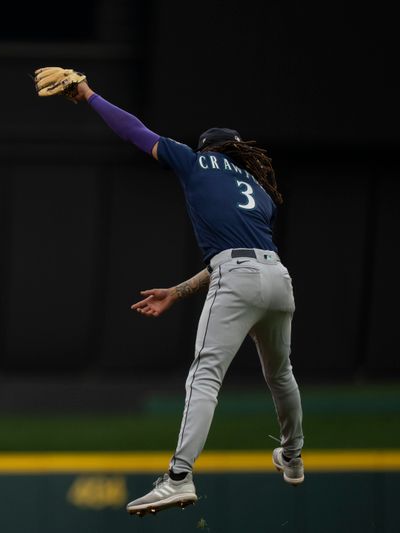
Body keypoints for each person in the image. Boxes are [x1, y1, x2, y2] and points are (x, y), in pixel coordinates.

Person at [66, 74, 305, 515]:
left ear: (208, 148)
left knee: (204, 376)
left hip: (237, 277)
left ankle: (178, 476)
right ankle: (293, 458)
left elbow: (134, 131)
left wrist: (90, 95)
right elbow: (242, 255)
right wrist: (178, 290)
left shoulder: (196, 161)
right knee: (281, 376)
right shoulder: (259, 192)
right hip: (278, 279)